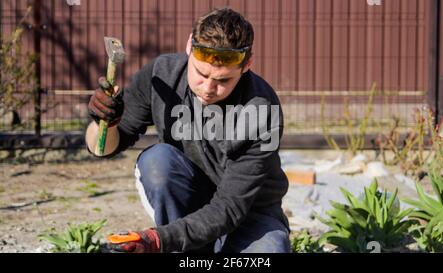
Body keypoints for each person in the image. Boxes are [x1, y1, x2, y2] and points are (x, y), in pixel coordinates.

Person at [86, 7, 291, 253]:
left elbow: (231, 206)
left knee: (269, 253)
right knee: (158, 161)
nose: (208, 88)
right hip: (190, 205)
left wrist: (156, 240)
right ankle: (186, 252)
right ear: (189, 47)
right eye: (201, 73)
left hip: (249, 214)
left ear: (247, 64)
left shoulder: (261, 109)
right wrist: (104, 123)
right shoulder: (162, 76)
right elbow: (103, 150)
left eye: (223, 80)